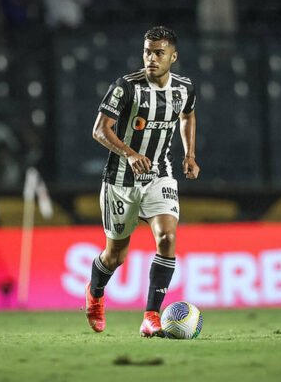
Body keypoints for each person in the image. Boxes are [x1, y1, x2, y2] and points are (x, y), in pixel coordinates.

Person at [86, 26, 200, 337]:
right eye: (147, 51)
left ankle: (151, 316)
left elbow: (188, 115)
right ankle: (95, 294)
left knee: (166, 239)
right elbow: (99, 130)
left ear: (172, 57)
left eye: (158, 52)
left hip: (160, 174)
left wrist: (189, 154)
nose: (151, 57)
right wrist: (130, 153)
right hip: (120, 179)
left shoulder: (185, 88)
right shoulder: (126, 87)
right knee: (116, 255)